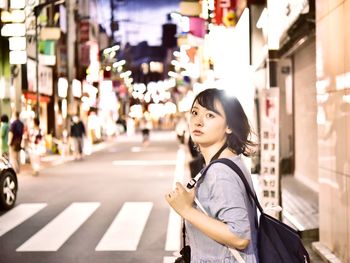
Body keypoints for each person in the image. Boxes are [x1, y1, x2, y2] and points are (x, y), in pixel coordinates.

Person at [165, 88, 258, 262]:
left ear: (229, 126)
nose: (198, 122)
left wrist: (186, 209)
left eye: (210, 116)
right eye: (195, 113)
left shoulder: (219, 172)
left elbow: (239, 236)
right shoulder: (231, 161)